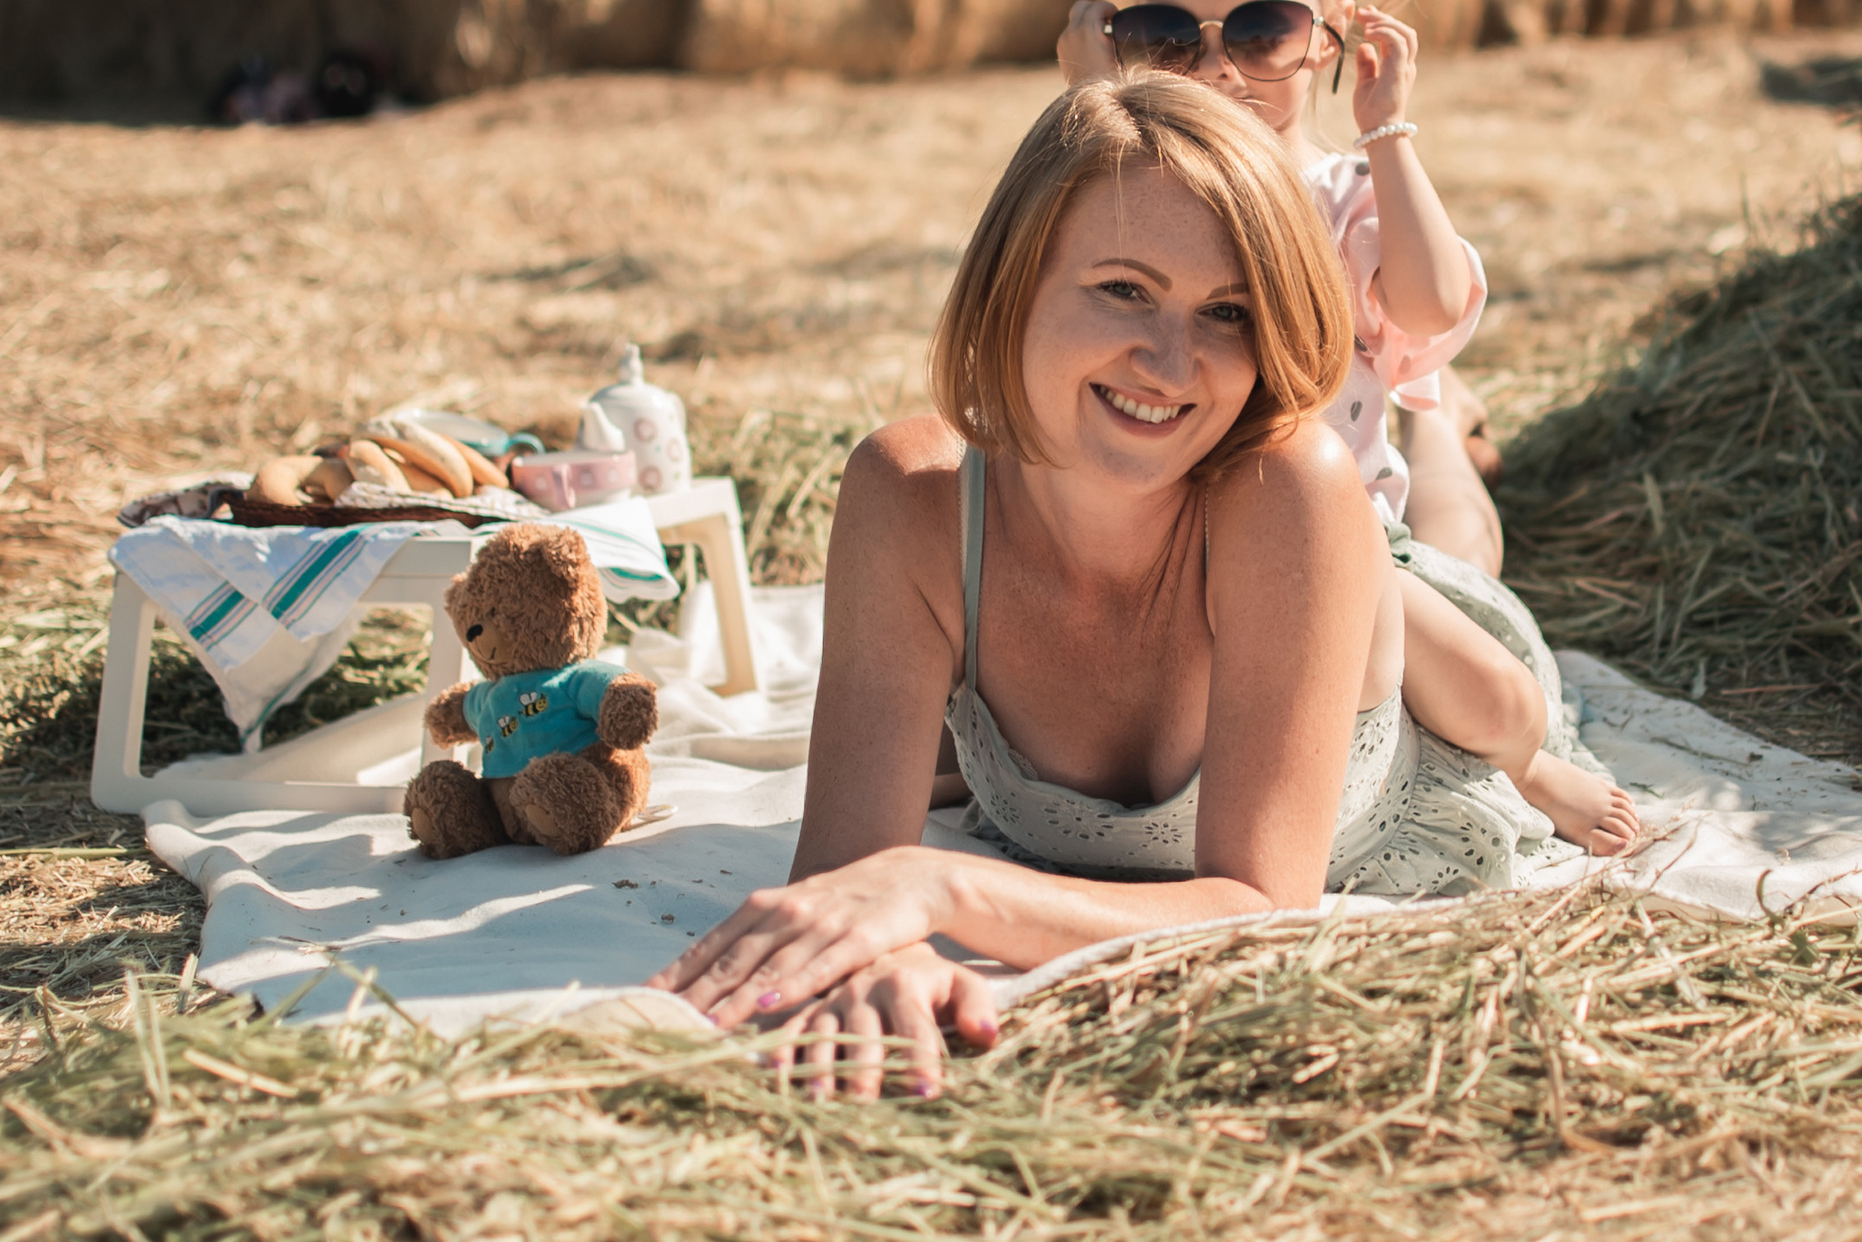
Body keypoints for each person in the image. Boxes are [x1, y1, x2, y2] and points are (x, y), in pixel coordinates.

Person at [652, 75, 1632, 1097]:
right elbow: (846, 879)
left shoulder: (1292, 488)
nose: (1170, 362)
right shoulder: (908, 496)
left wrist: (935, 885)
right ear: (1012, 285)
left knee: (1468, 606)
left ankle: (1437, 430)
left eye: (1225, 312)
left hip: (1405, 682)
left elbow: (1259, 902)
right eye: (1123, 288)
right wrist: (885, 951)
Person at [1053, 0, 1631, 854]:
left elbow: (1433, 297)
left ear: (1331, 37)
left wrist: (1389, 133)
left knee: (1489, 684)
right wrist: (1089, 107)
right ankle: (1435, 412)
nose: (1216, 67)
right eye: (1163, 36)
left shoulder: (1337, 192)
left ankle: (1525, 764)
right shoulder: (1123, 184)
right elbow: (1048, 271)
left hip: (1339, 537)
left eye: (1261, 30)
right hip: (1163, 538)